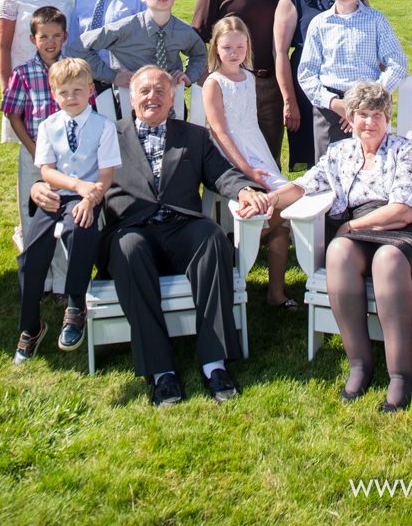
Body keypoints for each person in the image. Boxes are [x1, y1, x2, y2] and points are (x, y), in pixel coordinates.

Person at [31, 66, 269, 404]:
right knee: (129, 250)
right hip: (130, 229)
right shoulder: (107, 135)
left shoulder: (193, 136)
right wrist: (40, 186)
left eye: (160, 90)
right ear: (131, 99)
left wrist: (244, 190)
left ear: (173, 98)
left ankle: (214, 363)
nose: (152, 97)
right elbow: (70, 173)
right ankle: (162, 372)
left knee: (213, 238)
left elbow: (221, 173)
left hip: (182, 226)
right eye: (144, 91)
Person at [269, 81, 412, 411]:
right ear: (350, 119)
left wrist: (351, 226)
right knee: (338, 252)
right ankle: (360, 365)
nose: (369, 122)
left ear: (388, 117)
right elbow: (303, 186)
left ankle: (400, 375)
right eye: (362, 115)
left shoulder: (403, 151)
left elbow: (401, 210)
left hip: (407, 235)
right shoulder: (340, 153)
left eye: (377, 115)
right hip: (361, 234)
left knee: (387, 260)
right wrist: (268, 200)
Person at [13, 58, 120, 364]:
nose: (71, 97)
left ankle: (75, 306)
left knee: (80, 227)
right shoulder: (48, 126)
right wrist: (75, 186)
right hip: (55, 194)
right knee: (32, 252)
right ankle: (31, 326)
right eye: (64, 92)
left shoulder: (103, 127)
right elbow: (46, 170)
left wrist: (89, 198)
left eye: (77, 90)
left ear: (90, 90)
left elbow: (106, 176)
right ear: (54, 94)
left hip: (88, 197)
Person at [203, 16, 294, 310]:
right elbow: (219, 130)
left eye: (240, 47)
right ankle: (253, 234)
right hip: (230, 154)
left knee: (292, 198)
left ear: (247, 47)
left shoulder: (249, 77)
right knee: (281, 206)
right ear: (216, 48)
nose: (234, 52)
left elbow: (249, 123)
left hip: (255, 147)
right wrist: (246, 169)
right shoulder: (214, 82)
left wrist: (259, 160)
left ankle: (275, 292)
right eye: (227, 47)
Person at [191, 0, 286, 162]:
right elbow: (196, 40)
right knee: (235, 154)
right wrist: (208, 80)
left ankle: (271, 198)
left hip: (269, 84)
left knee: (270, 154)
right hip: (233, 84)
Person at [297, 0, 407, 160]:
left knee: (371, 162)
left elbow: (397, 64)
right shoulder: (319, 24)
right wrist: (336, 104)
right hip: (330, 109)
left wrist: (366, 104)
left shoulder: (376, 20)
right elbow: (306, 73)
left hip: (370, 106)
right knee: (329, 168)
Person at [1, 5, 71, 297]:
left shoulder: (73, 70)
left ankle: (63, 279)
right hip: (33, 155)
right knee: (34, 218)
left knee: (64, 214)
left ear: (65, 37)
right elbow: (13, 113)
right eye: (44, 36)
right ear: (33, 39)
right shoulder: (24, 73)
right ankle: (38, 278)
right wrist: (32, 148)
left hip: (68, 158)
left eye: (56, 36)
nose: (50, 42)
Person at [0, 0, 73, 141]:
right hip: (26, 83)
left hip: (60, 80)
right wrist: (6, 88)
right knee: (31, 148)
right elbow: (2, 45)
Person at [273, 0, 338, 169]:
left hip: (345, 82)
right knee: (316, 161)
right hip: (307, 86)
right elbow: (279, 52)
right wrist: (289, 101)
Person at [81, 0, 207, 89]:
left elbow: (200, 54)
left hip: (173, 101)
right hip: (130, 103)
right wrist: (112, 76)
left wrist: (189, 76)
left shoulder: (184, 31)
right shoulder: (124, 29)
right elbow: (79, 46)